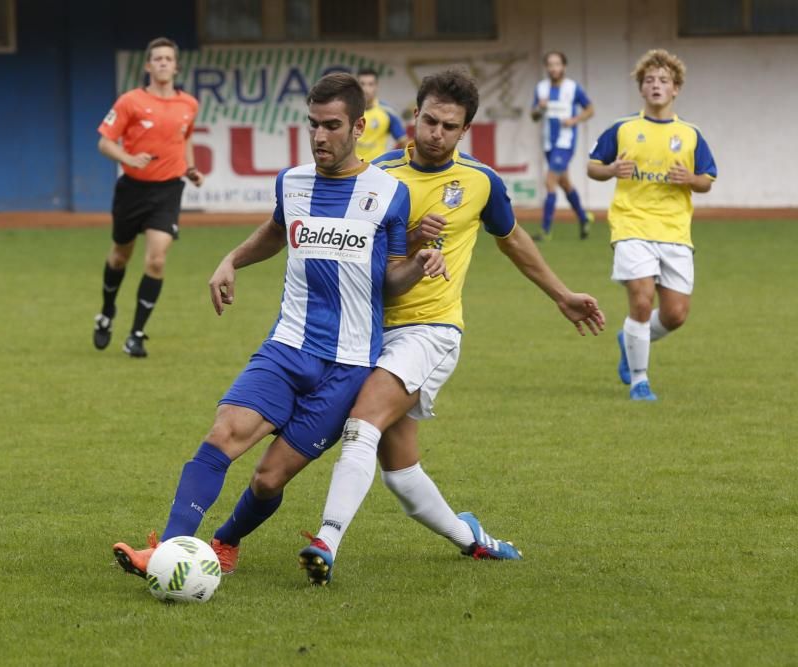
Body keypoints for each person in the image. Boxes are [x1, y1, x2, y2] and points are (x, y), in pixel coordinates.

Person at [112, 73, 448, 578]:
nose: (318, 136)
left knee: (269, 479)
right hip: (287, 347)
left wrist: (418, 263)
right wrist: (230, 260)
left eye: (331, 125)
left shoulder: (389, 193)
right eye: (312, 124)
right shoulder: (291, 182)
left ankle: (226, 541)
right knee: (223, 435)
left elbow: (389, 279)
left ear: (359, 126)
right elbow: (274, 232)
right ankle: (169, 550)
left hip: (348, 365)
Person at [298, 70, 606, 584]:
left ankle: (326, 542)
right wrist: (410, 237)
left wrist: (562, 294)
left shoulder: (481, 183)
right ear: (413, 117)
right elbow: (353, 249)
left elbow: (513, 240)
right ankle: (472, 539)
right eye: (429, 120)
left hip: (431, 332)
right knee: (401, 471)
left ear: (465, 132)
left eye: (449, 126)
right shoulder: (378, 175)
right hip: (368, 331)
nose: (436, 132)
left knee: (363, 422)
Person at [588, 49, 716, 401]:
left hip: (674, 231)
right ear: (641, 89)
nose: (656, 85)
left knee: (675, 315)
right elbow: (592, 166)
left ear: (676, 89)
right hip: (631, 225)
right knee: (641, 302)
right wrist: (612, 169)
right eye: (649, 80)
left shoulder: (691, 134)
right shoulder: (623, 128)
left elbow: (707, 180)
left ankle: (628, 340)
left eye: (663, 80)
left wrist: (690, 178)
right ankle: (640, 380)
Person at [93, 37, 203, 358]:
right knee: (119, 257)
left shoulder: (189, 105)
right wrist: (127, 157)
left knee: (156, 259)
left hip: (168, 190)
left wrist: (191, 168)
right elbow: (104, 142)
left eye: (169, 58)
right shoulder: (130, 101)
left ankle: (136, 334)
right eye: (158, 58)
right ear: (148, 66)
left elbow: (186, 139)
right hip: (132, 190)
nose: (164, 63)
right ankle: (107, 311)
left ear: (177, 66)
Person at [531, 51, 595, 241]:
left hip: (565, 143)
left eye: (557, 64)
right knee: (565, 183)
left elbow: (590, 109)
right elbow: (534, 117)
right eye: (550, 64)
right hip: (548, 143)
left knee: (549, 182)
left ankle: (545, 231)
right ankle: (584, 218)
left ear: (564, 66)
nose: (553, 68)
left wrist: (574, 120)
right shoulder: (541, 88)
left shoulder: (573, 88)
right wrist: (539, 109)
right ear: (546, 67)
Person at [355, 68, 408, 162]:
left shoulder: (388, 112)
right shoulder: (347, 110)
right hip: (351, 168)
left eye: (370, 84)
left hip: (377, 169)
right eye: (362, 84)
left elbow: (404, 142)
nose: (366, 89)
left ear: (376, 86)